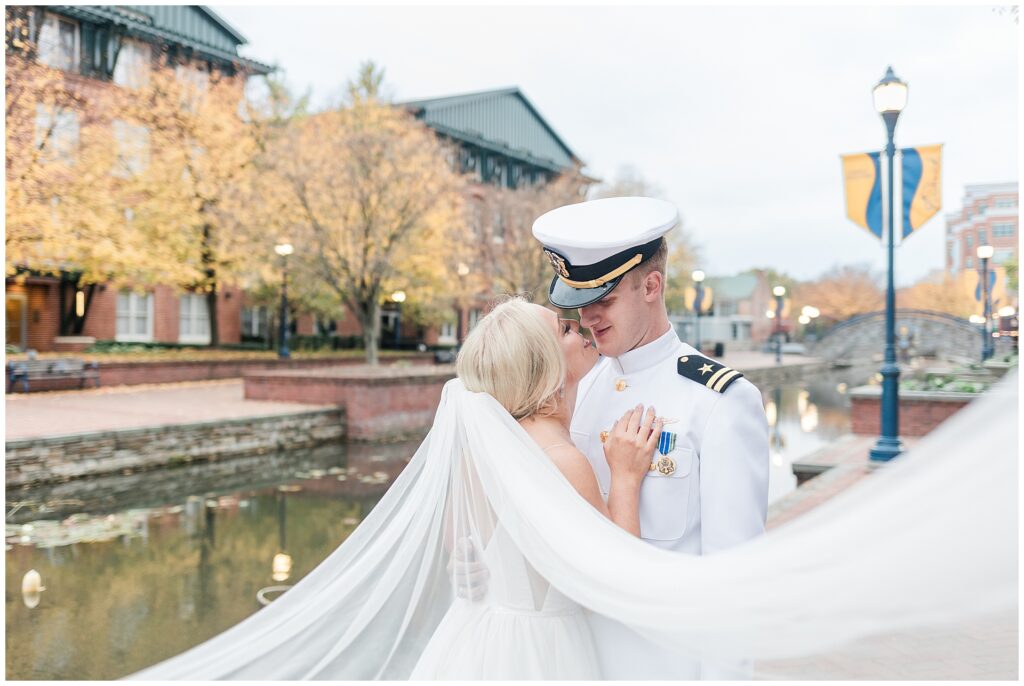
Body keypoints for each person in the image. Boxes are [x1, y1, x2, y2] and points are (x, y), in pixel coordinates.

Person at [124, 292, 1016, 680]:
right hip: (542, 652)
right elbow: (608, 567)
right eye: (569, 337)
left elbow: (462, 564)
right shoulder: (564, 454)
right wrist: (626, 476)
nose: (584, 337)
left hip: (476, 642)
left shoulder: (485, 444)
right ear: (549, 369)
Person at [532, 196, 770, 678]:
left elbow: (733, 582)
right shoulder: (579, 386)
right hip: (575, 661)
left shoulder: (719, 401)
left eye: (604, 300)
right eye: (580, 305)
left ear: (652, 285)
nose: (590, 318)